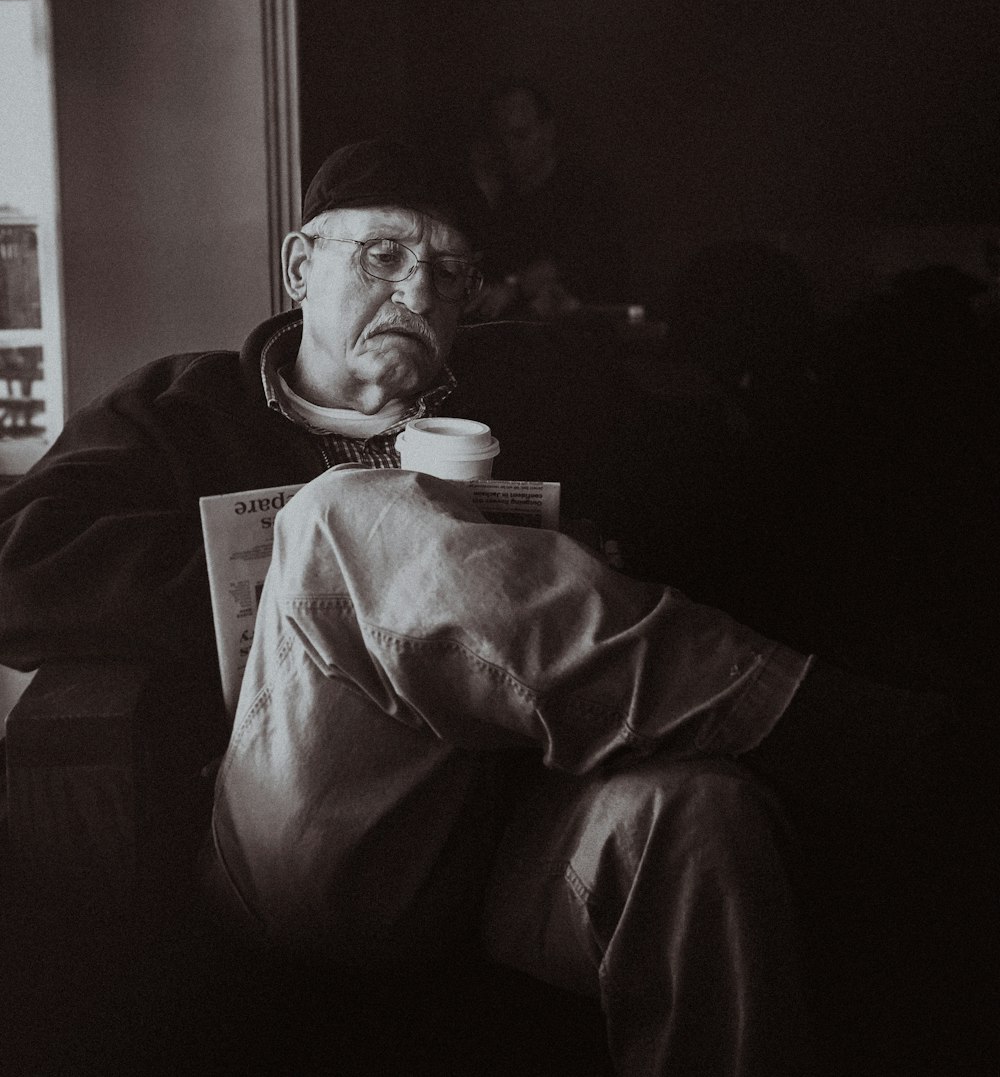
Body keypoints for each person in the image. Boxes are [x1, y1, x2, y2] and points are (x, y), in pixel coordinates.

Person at [0, 138, 962, 1076]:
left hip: (515, 819)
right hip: (309, 826)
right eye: (385, 254)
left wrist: (590, 543)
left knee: (703, 815)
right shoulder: (183, 406)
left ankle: (792, 727)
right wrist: (273, 578)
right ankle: (821, 722)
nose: (418, 291)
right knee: (348, 515)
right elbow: (19, 561)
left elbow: (716, 497)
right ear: (300, 265)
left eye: (451, 272)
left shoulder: (532, 387)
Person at [469, 82, 630, 321]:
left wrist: (514, 288)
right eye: (499, 138)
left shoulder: (587, 191)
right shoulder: (496, 195)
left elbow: (573, 262)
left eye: (520, 135)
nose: (508, 148)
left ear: (548, 130)